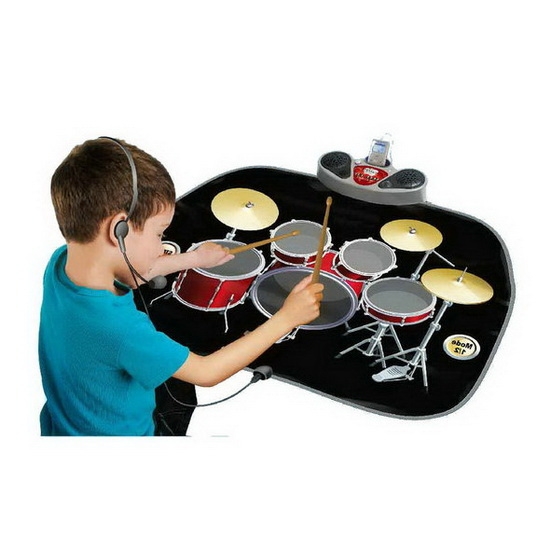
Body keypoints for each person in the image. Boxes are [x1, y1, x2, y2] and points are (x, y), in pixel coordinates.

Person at [39, 137, 323, 436]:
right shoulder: (120, 329)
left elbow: (132, 273)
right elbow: (206, 372)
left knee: (173, 379)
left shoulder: (62, 262)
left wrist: (194, 259)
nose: (161, 246)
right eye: (159, 234)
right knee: (183, 391)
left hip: (68, 421)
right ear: (119, 230)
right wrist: (286, 318)